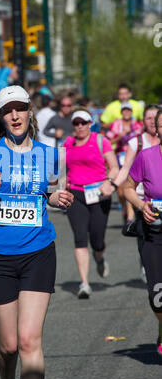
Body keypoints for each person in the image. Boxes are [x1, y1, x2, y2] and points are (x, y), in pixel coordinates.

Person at [0, 85, 73, 379]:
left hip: (38, 252)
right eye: (8, 110)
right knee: (9, 346)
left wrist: (57, 197)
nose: (15, 115)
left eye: (20, 108)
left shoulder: (50, 155)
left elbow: (48, 194)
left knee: (28, 340)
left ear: (29, 111)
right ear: (1, 116)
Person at [64, 108, 119, 298]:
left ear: (90, 124)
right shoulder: (68, 143)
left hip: (98, 195)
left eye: (83, 123)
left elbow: (114, 167)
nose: (80, 126)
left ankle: (99, 256)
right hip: (76, 195)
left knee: (97, 240)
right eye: (76, 123)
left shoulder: (100, 141)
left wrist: (109, 182)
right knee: (80, 238)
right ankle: (84, 284)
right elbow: (61, 168)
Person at [123, 108, 162, 357]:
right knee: (157, 293)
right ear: (157, 129)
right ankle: (161, 323)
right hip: (154, 233)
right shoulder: (146, 157)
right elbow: (127, 187)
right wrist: (140, 205)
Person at [111, 104, 160, 282]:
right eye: (149, 118)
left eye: (156, 118)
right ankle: (147, 264)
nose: (153, 122)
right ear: (145, 121)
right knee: (144, 235)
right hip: (142, 197)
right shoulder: (137, 142)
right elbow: (125, 170)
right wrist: (113, 185)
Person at [105, 102, 144, 223]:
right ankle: (125, 210)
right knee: (121, 192)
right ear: (121, 112)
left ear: (131, 112)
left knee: (131, 187)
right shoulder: (116, 125)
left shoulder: (138, 125)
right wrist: (120, 136)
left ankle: (131, 214)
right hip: (119, 157)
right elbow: (108, 140)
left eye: (128, 110)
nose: (126, 112)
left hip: (135, 158)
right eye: (124, 110)